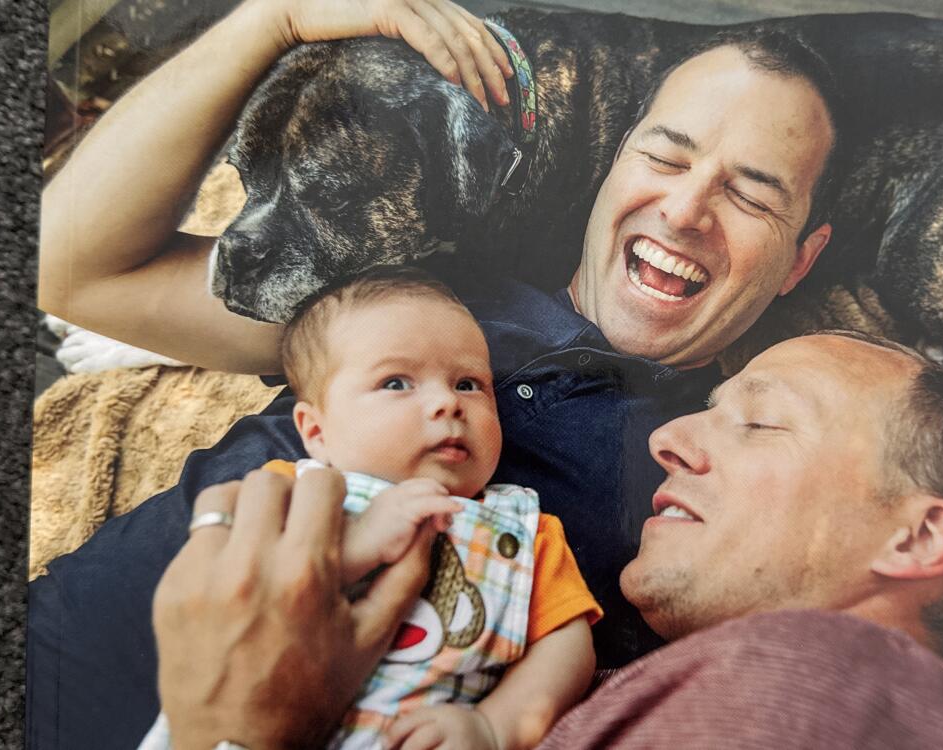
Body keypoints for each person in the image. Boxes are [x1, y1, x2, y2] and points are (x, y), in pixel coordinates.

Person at [30, 0, 847, 745]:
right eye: (664, 157)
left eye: (752, 196)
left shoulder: (699, 462)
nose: (684, 210)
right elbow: (72, 270)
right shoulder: (421, 295)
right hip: (57, 671)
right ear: (613, 166)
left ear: (801, 261)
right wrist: (271, 20)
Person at [152, 332, 943, 749]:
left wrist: (238, 730)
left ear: (917, 538)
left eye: (761, 422)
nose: (667, 440)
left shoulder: (820, 687)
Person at [138, 266, 600, 750]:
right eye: (396, 383)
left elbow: (566, 645)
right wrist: (354, 544)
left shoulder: (526, 531)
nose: (446, 403)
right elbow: (231, 591)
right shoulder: (291, 491)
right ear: (317, 432)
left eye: (468, 383)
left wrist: (493, 727)